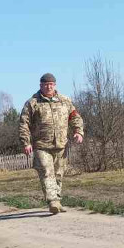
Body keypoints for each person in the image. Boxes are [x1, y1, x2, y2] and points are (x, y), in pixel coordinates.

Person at [17, 73, 84, 215]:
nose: (49, 87)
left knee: (59, 174)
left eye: (51, 84)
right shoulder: (33, 103)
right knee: (47, 172)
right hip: (41, 145)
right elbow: (24, 123)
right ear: (40, 85)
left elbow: (75, 117)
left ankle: (57, 200)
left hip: (61, 145)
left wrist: (78, 131)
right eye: (46, 84)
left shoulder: (64, 101)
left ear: (55, 85)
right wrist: (26, 142)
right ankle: (52, 200)